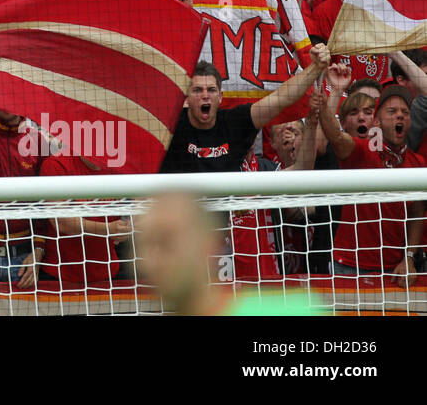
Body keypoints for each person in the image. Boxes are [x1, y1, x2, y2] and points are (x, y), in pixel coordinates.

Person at [319, 64, 424, 282]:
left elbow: (417, 214)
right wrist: (336, 90)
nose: (400, 116)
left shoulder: (418, 164)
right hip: (349, 266)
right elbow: (332, 133)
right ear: (377, 121)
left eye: (405, 112)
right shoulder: (360, 151)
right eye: (392, 111)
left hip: (395, 270)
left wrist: (409, 257)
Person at [160, 46, 330, 174]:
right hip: (178, 217)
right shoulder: (170, 126)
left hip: (222, 220)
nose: (205, 96)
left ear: (220, 97)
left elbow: (280, 98)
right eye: (197, 90)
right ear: (187, 98)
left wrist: (315, 67)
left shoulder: (233, 122)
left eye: (211, 90)